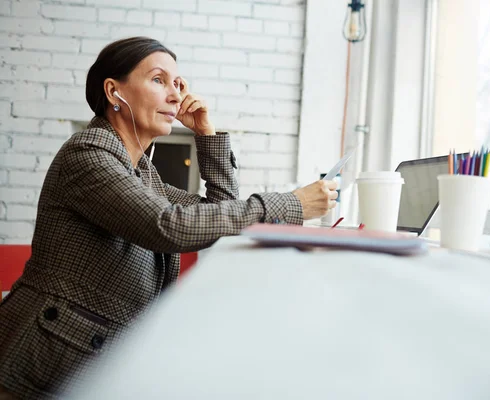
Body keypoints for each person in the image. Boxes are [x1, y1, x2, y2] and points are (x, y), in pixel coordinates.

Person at [0, 36, 338, 399]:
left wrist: (206, 134)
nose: (176, 95)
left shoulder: (141, 172)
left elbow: (215, 211)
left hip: (88, 357)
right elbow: (169, 226)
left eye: (179, 84)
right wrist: (290, 203)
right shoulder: (88, 155)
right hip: (42, 362)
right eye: (159, 80)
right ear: (115, 92)